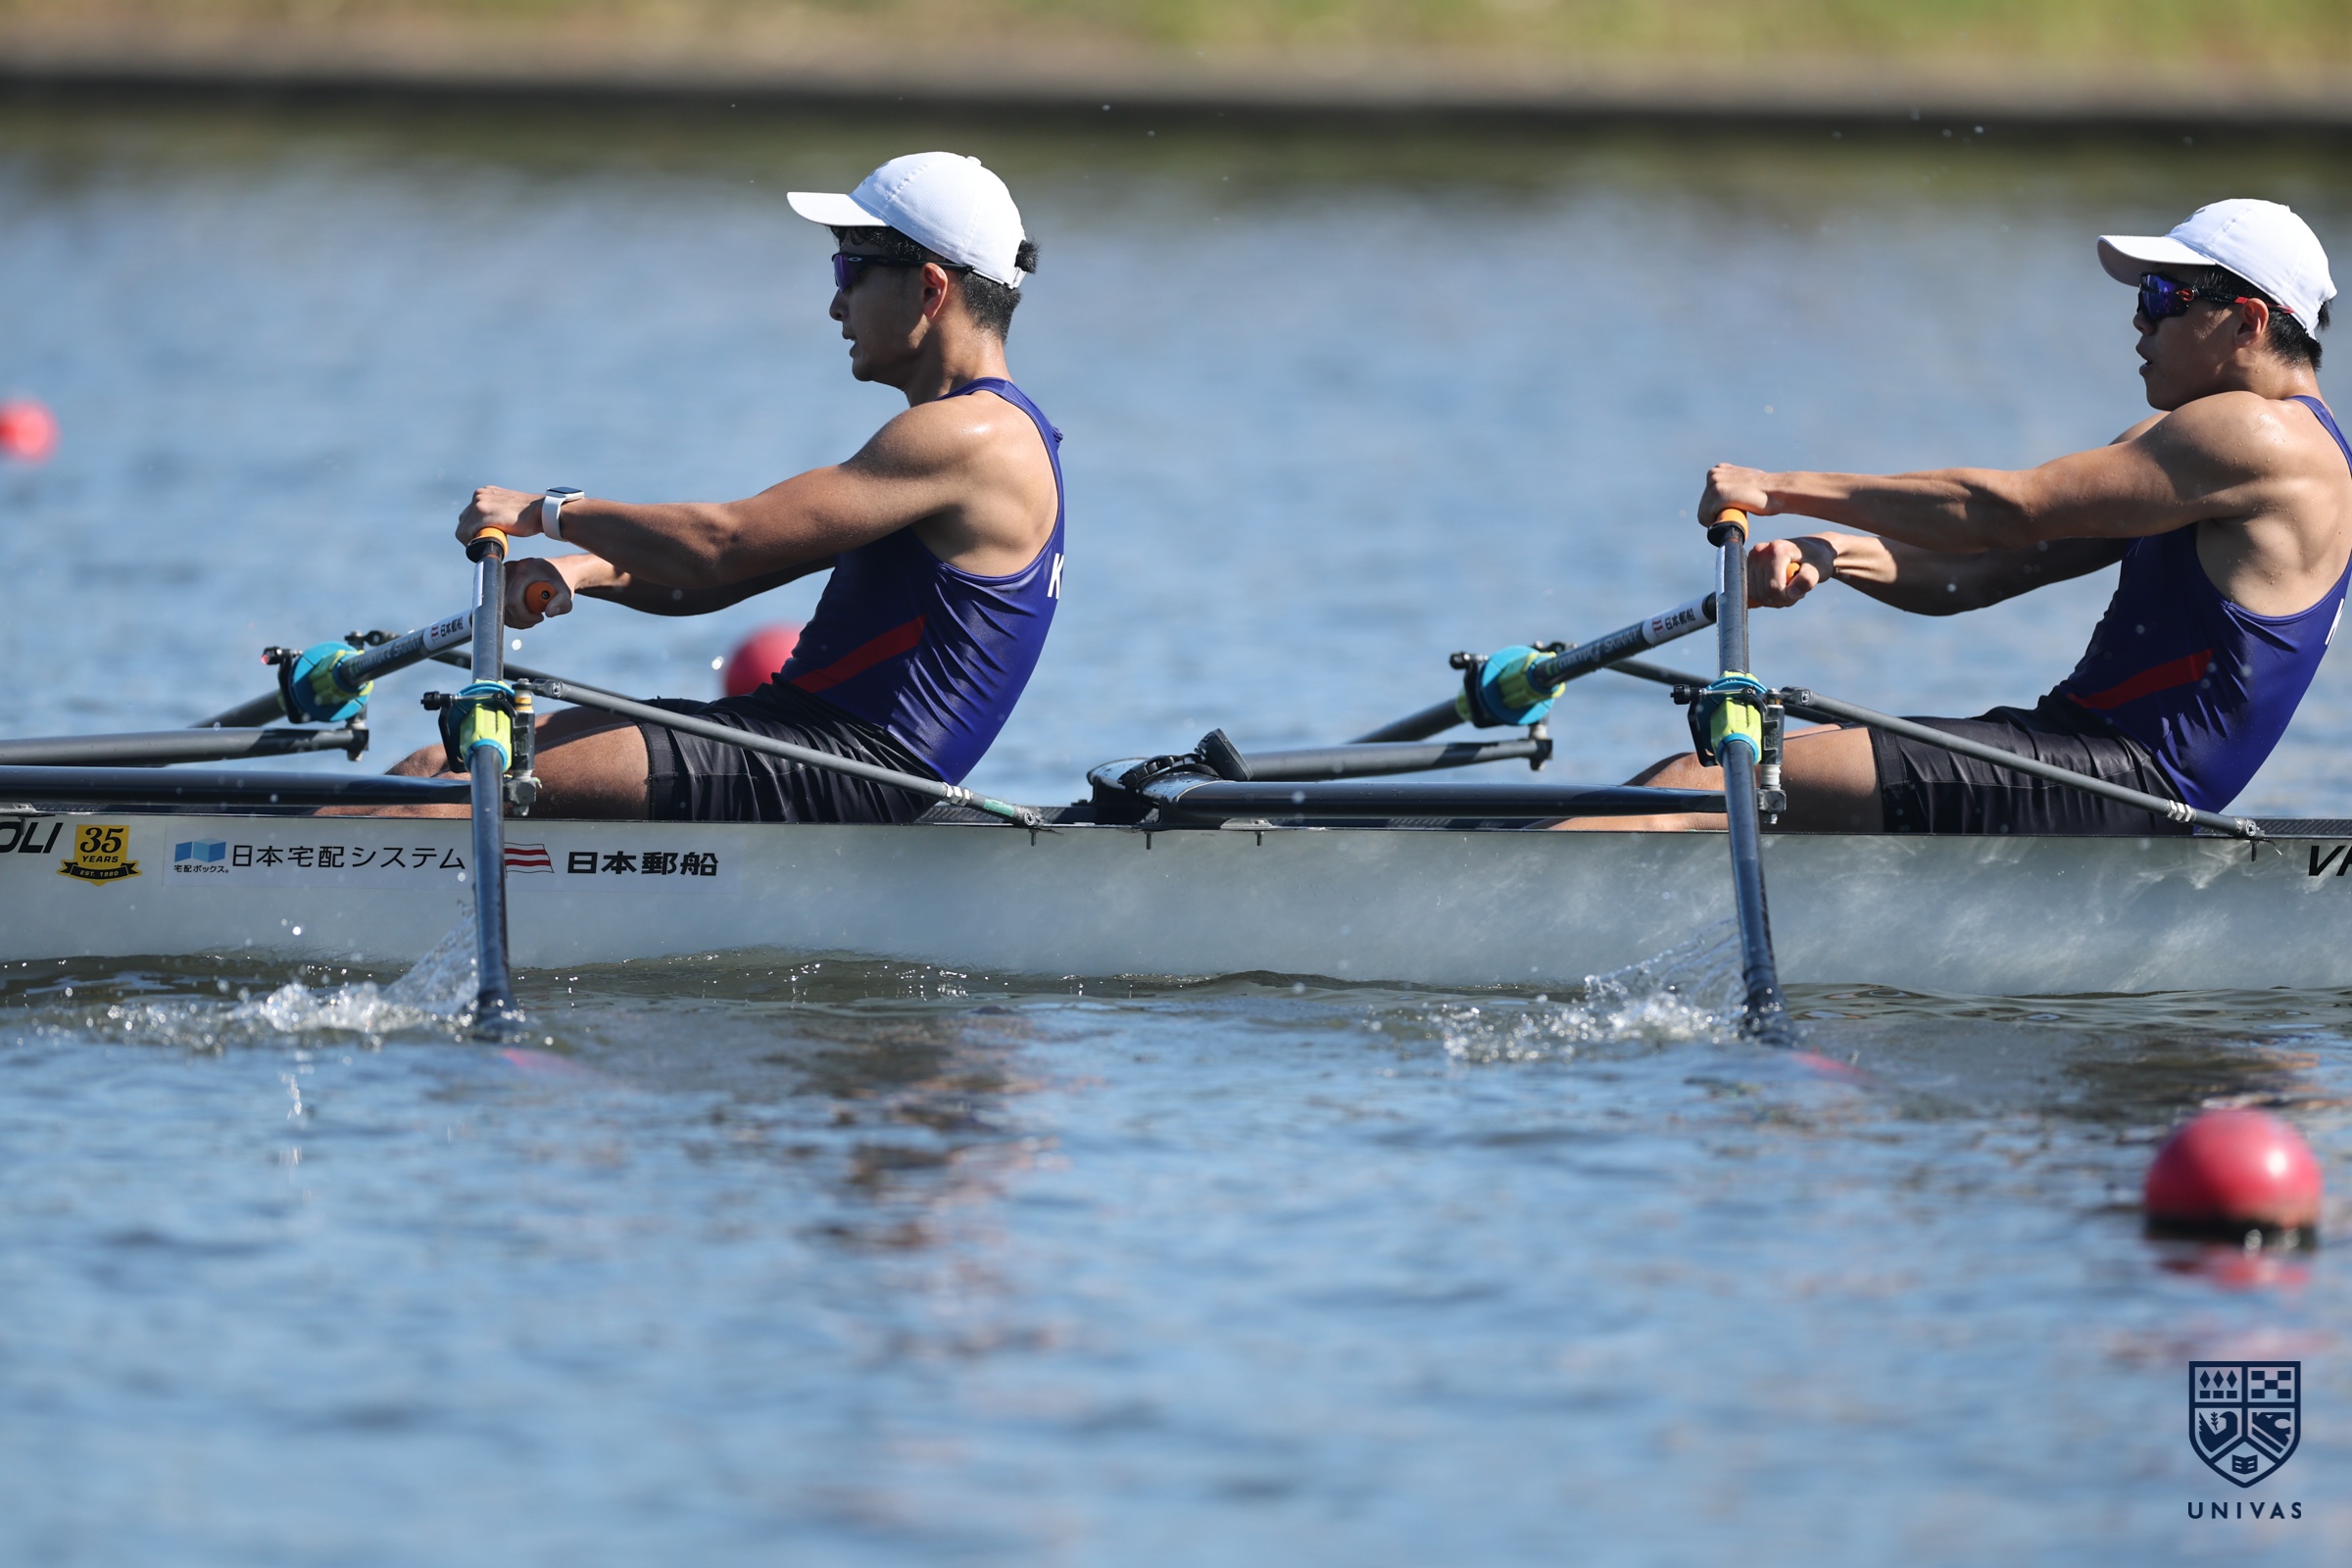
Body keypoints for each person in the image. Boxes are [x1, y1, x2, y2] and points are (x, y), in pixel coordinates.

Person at [1576, 199, 2349, 835]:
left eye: (2160, 299)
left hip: (2128, 782)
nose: (2140, 325)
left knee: (1697, 783)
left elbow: (2003, 510)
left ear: (2248, 322)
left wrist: (1778, 487)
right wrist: (1835, 554)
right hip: (2074, 753)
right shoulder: (2203, 450)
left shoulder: (2261, 437)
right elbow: (1982, 570)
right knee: (1730, 777)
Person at [382, 151, 1063, 821]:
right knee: (436, 764)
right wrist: (580, 572)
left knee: (441, 798)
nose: (836, 304)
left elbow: (721, 543)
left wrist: (547, 510)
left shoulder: (970, 436)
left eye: (850, 269)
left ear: (930, 289)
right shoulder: (969, 437)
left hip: (850, 765)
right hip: (798, 737)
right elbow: (722, 576)